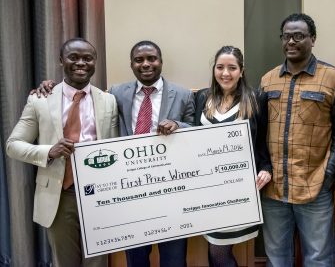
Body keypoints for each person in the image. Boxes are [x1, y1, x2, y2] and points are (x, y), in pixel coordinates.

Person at [35, 40, 195, 267]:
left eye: (152, 59)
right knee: (136, 260)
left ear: (161, 62)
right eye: (139, 60)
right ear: (131, 65)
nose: (146, 64)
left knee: (174, 260)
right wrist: (50, 86)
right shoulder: (116, 93)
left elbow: (196, 130)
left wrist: (178, 125)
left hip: (170, 190)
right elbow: (79, 95)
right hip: (130, 193)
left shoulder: (183, 94)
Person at [6, 38, 119, 267]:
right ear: (60, 61)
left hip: (100, 193)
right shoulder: (39, 100)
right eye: (73, 57)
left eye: (87, 58)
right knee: (65, 262)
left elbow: (115, 146)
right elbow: (13, 145)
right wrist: (49, 151)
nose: (81, 63)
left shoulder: (109, 101)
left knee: (97, 262)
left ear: (95, 62)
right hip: (60, 195)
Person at [259, 13, 335, 266]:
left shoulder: (334, 78)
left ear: (312, 39)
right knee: (277, 259)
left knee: (319, 259)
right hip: (273, 189)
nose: (292, 41)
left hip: (315, 187)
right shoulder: (267, 81)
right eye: (286, 36)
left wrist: (328, 174)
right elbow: (259, 132)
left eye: (299, 36)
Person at [194, 46, 272, 266]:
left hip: (238, 187)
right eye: (220, 67)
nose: (225, 73)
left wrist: (266, 168)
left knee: (219, 251)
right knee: (214, 248)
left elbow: (263, 140)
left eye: (232, 68)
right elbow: (190, 139)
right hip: (207, 188)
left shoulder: (256, 99)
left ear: (242, 71)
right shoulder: (202, 97)